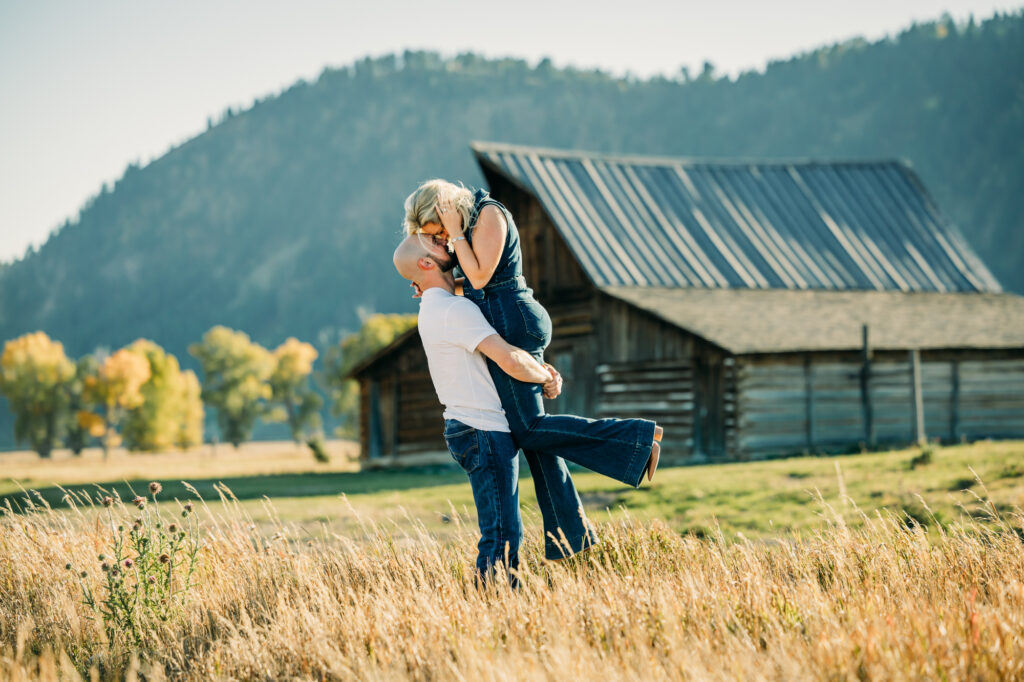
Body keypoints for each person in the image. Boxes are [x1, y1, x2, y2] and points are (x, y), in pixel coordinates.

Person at [402, 180, 663, 561]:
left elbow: (480, 278)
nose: (442, 240)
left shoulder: (488, 214)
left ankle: (636, 440)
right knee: (536, 437)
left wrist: (456, 236)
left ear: (443, 209)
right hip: (505, 319)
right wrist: (434, 287)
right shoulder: (468, 228)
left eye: (437, 230)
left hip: (515, 321)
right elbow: (477, 282)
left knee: (528, 429)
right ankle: (571, 538)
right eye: (435, 237)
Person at [393, 234, 562, 584]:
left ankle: (496, 604)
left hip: (469, 428)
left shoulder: (436, 306)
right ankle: (494, 609)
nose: (445, 241)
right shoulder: (455, 310)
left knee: (502, 531)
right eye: (434, 244)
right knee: (501, 534)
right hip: (483, 430)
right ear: (426, 264)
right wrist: (546, 376)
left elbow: (465, 284)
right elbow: (509, 359)